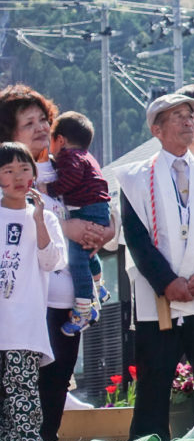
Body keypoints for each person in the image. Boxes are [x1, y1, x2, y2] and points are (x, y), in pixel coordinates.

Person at [111, 93, 194, 441]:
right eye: (177, 116)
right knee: (153, 384)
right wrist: (166, 281)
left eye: (190, 115)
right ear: (157, 128)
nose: (188, 121)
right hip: (159, 296)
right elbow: (135, 238)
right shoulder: (135, 178)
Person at [0, 85, 114, 441]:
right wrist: (68, 228)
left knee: (55, 386)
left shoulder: (69, 163)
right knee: (17, 389)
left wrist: (105, 229)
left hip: (68, 297)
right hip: (25, 303)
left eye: (43, 120)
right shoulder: (7, 176)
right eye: (27, 123)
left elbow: (104, 204)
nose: (38, 128)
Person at [0, 142, 66, 441]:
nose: (17, 177)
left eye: (24, 169)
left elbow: (52, 262)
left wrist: (39, 220)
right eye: (8, 170)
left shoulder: (47, 219)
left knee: (23, 409)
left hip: (24, 332)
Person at [45, 111, 110, 334]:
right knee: (89, 251)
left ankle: (84, 308)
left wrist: (51, 188)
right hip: (99, 208)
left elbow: (70, 178)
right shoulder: (85, 155)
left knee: (78, 259)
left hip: (88, 209)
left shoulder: (70, 157)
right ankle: (99, 286)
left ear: (60, 140)